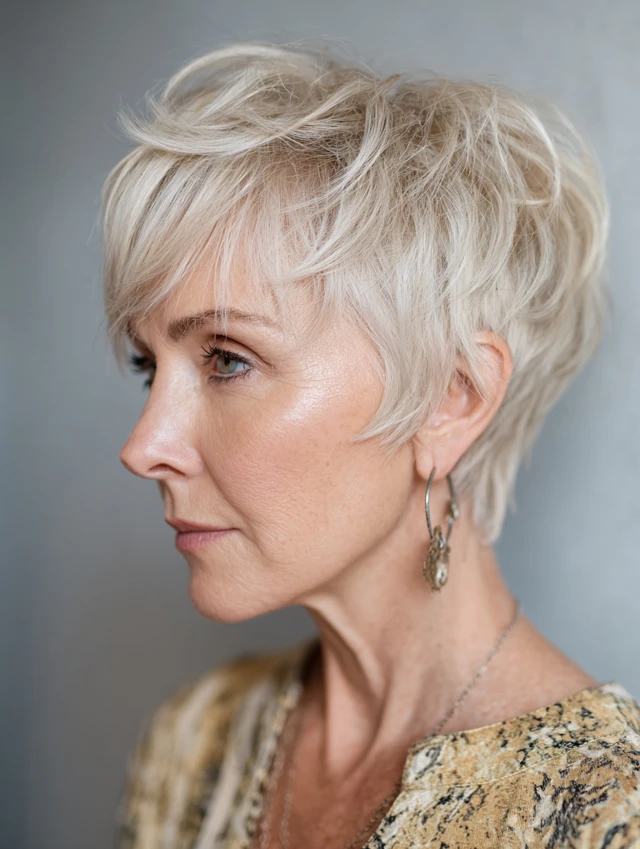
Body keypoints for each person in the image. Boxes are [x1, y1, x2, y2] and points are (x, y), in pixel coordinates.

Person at [101, 41, 640, 849]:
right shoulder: (194, 740)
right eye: (150, 366)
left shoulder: (606, 812)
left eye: (227, 360)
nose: (144, 446)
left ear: (450, 398)